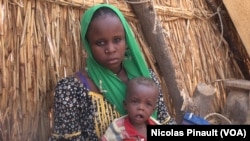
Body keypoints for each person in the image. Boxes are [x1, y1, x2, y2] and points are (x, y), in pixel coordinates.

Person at [50, 3, 176, 141]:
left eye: (117, 40)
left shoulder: (146, 79)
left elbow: (165, 124)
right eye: (100, 43)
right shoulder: (70, 90)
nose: (110, 49)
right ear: (88, 45)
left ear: (126, 40)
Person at [101, 76, 161, 141]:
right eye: (135, 102)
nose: (141, 108)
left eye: (148, 104)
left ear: (153, 110)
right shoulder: (117, 128)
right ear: (125, 105)